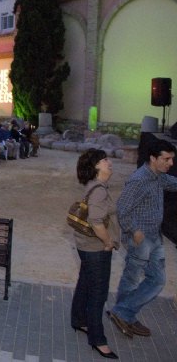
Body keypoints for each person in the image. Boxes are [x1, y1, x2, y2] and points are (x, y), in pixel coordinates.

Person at [108, 139, 177, 338]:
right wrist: (134, 230)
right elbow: (122, 208)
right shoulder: (139, 179)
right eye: (166, 159)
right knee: (142, 279)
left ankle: (124, 313)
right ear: (153, 158)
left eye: (172, 159)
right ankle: (123, 313)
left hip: (154, 237)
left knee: (151, 279)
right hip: (141, 239)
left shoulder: (157, 176)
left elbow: (172, 184)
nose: (170, 163)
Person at [71, 149, 120, 359]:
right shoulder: (99, 190)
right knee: (98, 293)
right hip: (96, 249)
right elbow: (96, 221)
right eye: (105, 160)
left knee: (85, 283)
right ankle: (97, 339)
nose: (110, 162)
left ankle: (78, 320)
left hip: (86, 247)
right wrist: (108, 242)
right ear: (96, 166)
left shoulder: (95, 186)